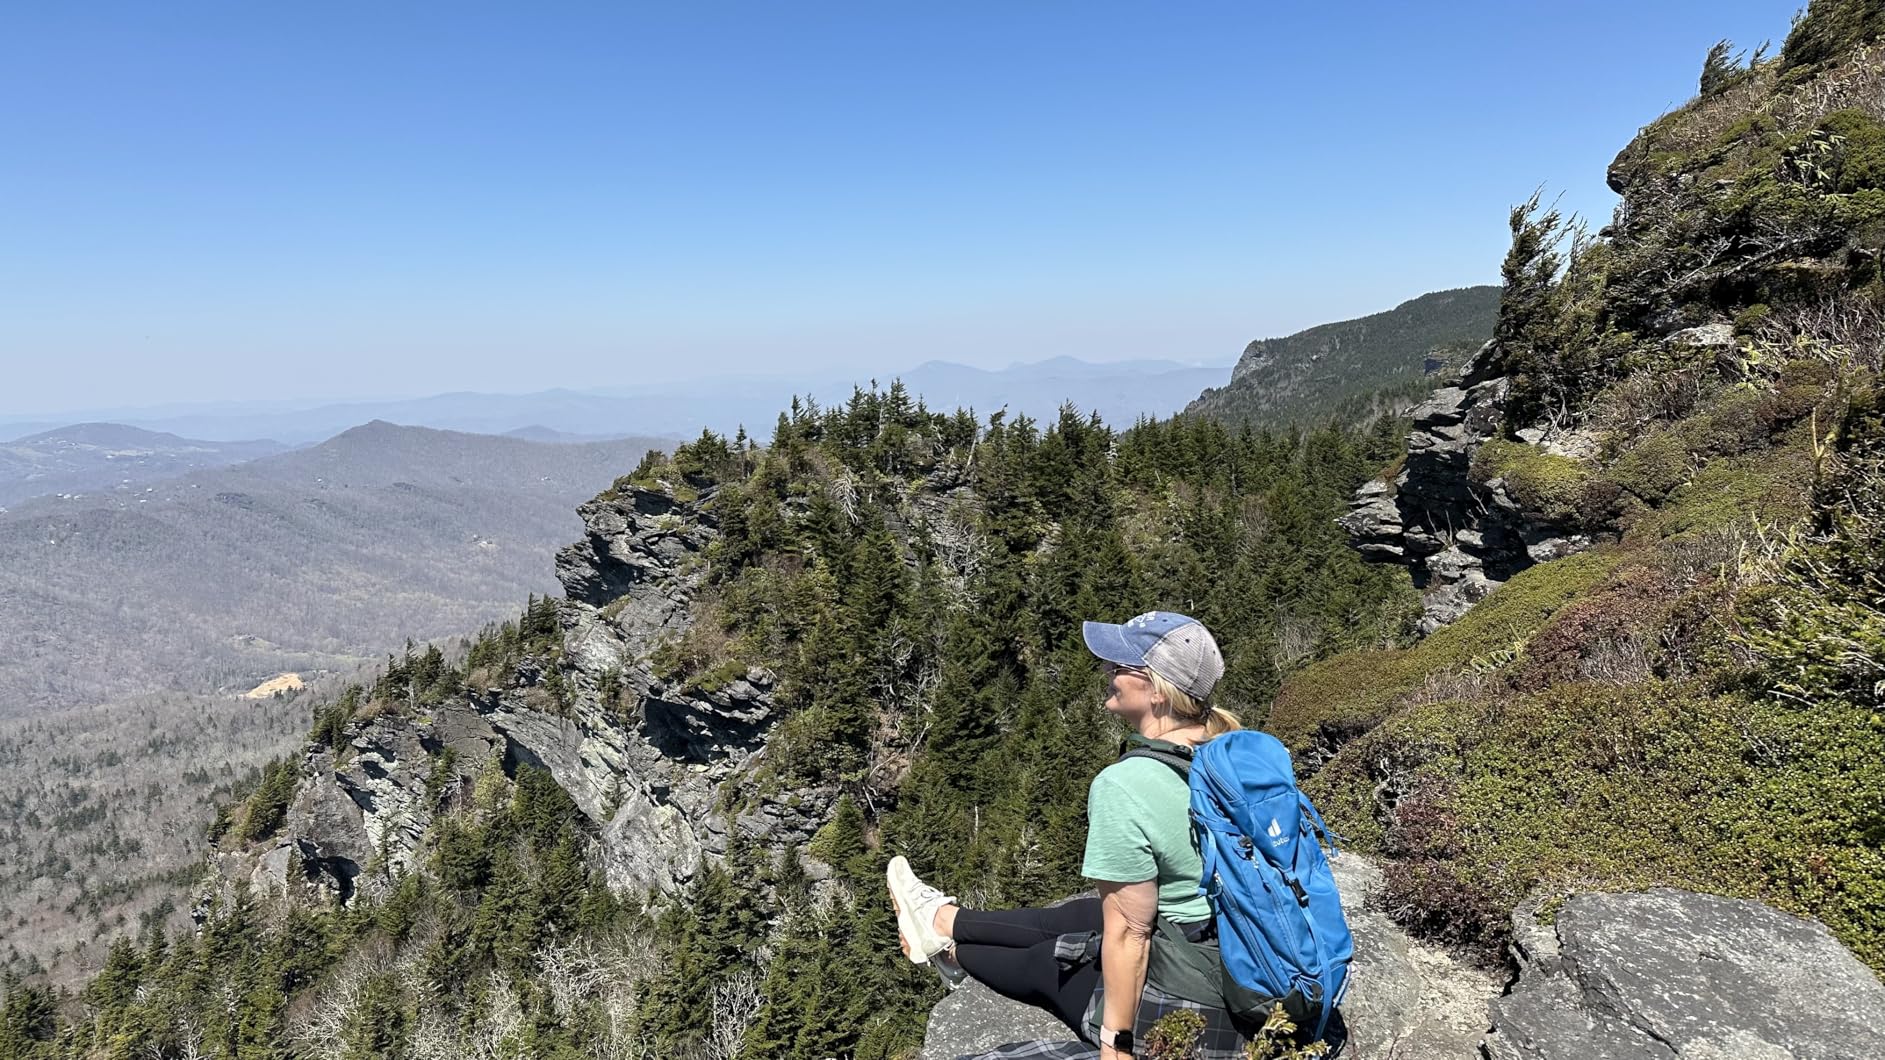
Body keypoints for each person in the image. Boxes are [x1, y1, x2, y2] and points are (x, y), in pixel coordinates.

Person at [888, 611, 1245, 1060]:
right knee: (1078, 916)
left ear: (1156, 689)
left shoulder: (1127, 784)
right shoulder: (1238, 751)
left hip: (1204, 996)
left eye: (1119, 667)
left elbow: (1131, 934)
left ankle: (951, 953)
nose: (1106, 673)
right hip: (1238, 946)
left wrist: (1118, 1043)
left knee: (1047, 963)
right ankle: (942, 921)